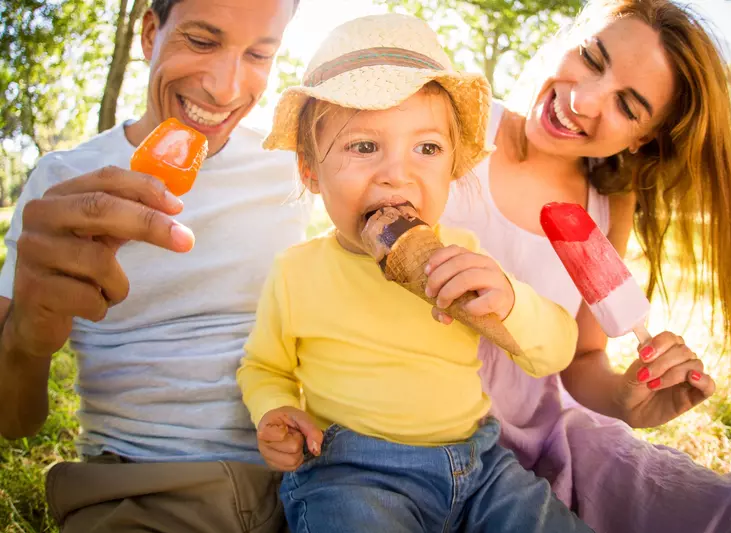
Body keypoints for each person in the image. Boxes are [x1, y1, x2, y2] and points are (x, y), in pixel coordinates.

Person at [237, 14, 593, 533]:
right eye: (364, 146)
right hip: (351, 472)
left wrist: (511, 300)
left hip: (480, 468)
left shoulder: (465, 256)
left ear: (451, 167)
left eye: (427, 148)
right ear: (311, 172)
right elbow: (262, 367)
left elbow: (555, 351)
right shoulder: (298, 272)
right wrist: (276, 410)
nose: (396, 173)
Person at [439, 0, 731, 531]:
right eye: (591, 58)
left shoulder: (607, 203)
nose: (583, 99)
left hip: (546, 433)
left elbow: (582, 357)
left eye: (629, 104)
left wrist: (623, 398)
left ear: (643, 137)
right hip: (424, 417)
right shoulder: (456, 123)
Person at [0, 1, 306, 531]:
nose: (226, 89)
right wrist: (25, 340)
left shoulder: (293, 169)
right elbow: (14, 421)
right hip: (146, 486)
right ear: (148, 33)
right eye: (203, 41)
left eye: (259, 53)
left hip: (305, 474)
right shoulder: (62, 183)